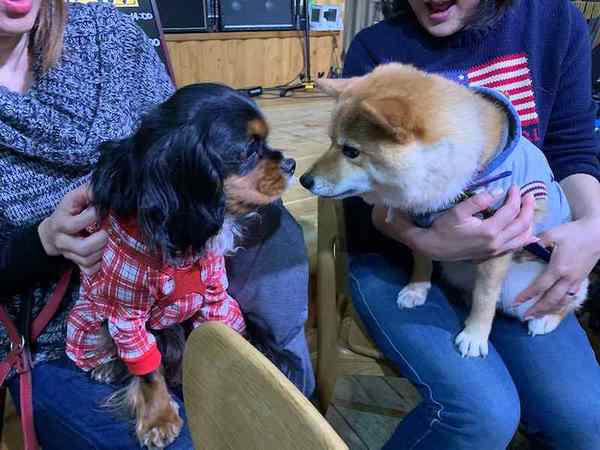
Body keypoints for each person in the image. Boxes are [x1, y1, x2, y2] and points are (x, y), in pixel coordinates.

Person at [0, 1, 314, 448]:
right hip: (54, 334)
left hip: (184, 265)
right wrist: (43, 241)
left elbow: (192, 151)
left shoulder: (109, 32)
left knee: (276, 416)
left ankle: (289, 381)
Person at [342, 0, 600, 449]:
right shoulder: (374, 49)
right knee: (480, 416)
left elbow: (573, 148)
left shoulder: (555, 21)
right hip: (399, 257)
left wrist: (593, 226)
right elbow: (361, 201)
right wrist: (424, 239)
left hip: (518, 258)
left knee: (585, 421)